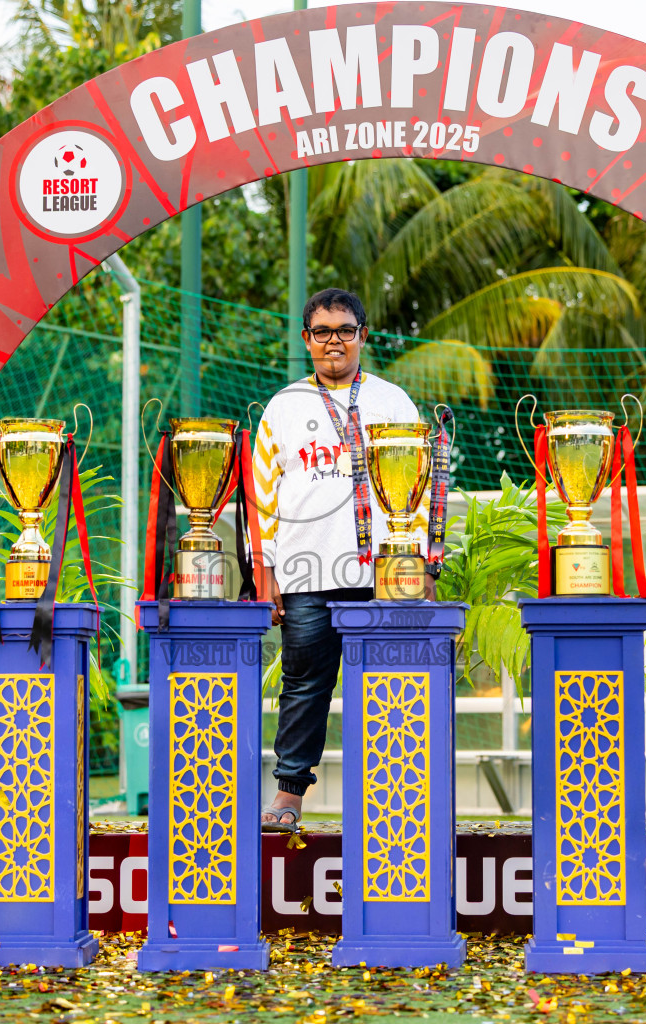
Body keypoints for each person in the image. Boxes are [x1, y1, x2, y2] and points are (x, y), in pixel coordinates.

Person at [252, 287, 435, 831]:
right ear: (306, 339)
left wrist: (421, 562)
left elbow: (420, 486)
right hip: (305, 569)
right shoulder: (284, 406)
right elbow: (262, 494)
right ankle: (288, 795)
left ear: (363, 336)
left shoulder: (393, 402)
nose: (335, 342)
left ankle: (394, 799)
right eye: (323, 332)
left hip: (385, 572)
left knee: (390, 682)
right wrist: (264, 572)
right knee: (305, 683)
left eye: (345, 331)